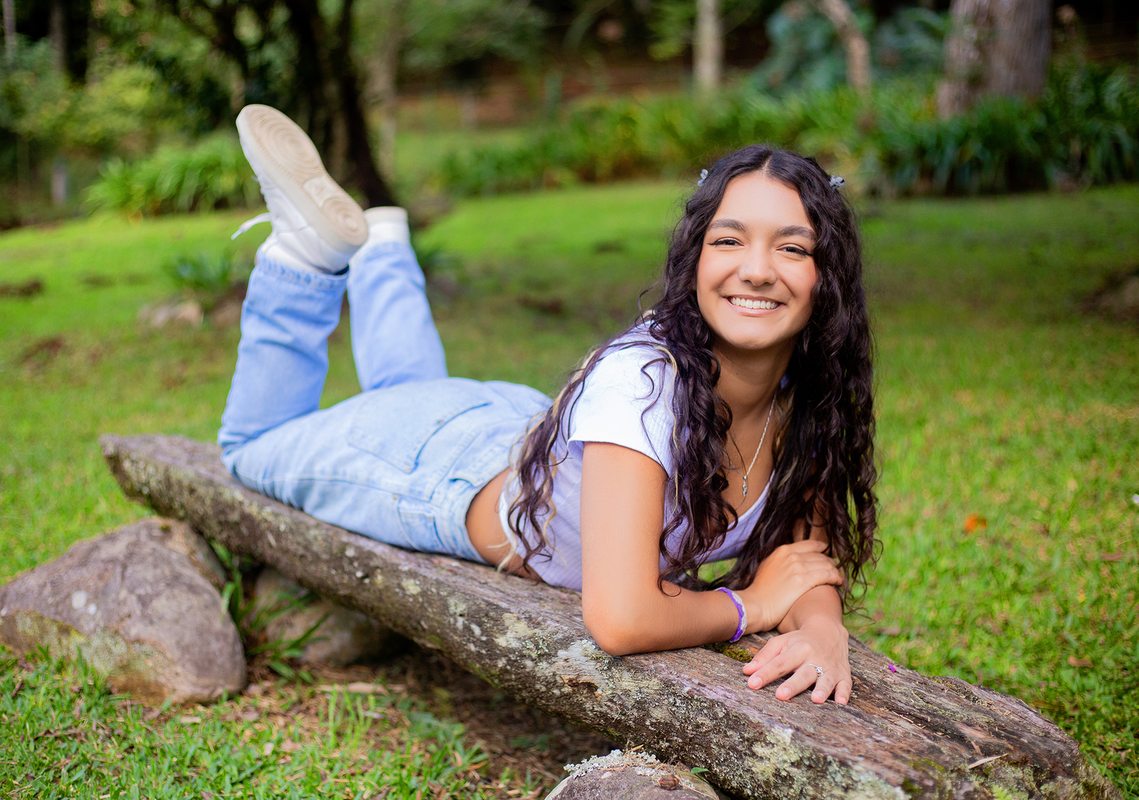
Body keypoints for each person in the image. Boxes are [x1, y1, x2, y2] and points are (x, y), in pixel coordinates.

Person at [221, 105, 877, 706]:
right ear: (695, 260)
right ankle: (307, 258)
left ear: (827, 278)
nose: (758, 269)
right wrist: (751, 606)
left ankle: (383, 247)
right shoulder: (644, 384)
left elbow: (803, 559)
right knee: (249, 447)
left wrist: (822, 629)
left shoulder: (803, 398)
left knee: (402, 393)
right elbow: (621, 618)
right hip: (431, 473)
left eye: (792, 247)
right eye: (729, 241)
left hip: (515, 431)